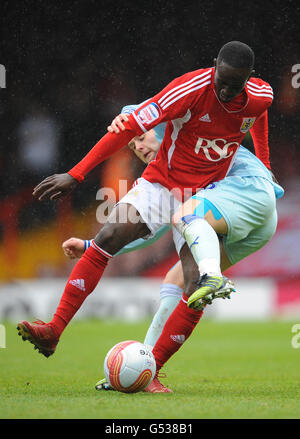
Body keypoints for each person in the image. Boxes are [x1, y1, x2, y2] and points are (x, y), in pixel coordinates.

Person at [17, 41, 278, 390]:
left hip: (205, 196)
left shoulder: (260, 95)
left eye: (237, 85)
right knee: (109, 237)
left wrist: (265, 164)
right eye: (223, 82)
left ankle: (152, 370)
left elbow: (257, 116)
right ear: (213, 65)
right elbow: (127, 128)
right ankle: (53, 330)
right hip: (162, 183)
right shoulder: (189, 89)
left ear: (250, 78)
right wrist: (76, 175)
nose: (228, 92)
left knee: (195, 284)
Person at [62, 106, 283, 391]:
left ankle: (210, 276)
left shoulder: (182, 136)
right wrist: (91, 245)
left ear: (161, 130)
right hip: (261, 221)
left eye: (142, 137)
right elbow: (155, 233)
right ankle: (148, 368)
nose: (139, 148)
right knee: (175, 278)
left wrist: (126, 114)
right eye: (133, 145)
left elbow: (156, 108)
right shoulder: (176, 165)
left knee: (185, 220)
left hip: (250, 193)